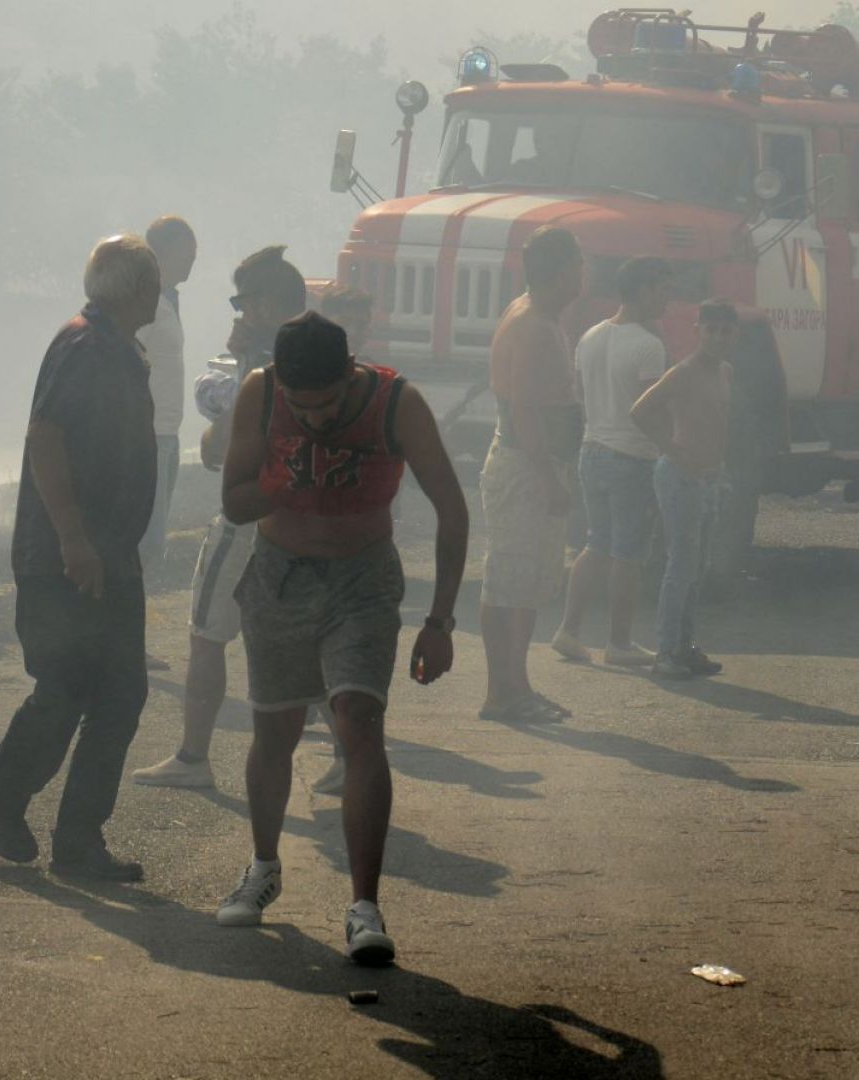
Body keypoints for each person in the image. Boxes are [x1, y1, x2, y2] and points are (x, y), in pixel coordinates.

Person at [212, 312, 468, 967]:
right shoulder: (261, 394)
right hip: (279, 576)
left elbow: (452, 508)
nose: (316, 418)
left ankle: (364, 907)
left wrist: (439, 622)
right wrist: (281, 481)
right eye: (303, 406)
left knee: (358, 720)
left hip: (362, 580)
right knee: (276, 732)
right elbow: (233, 501)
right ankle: (263, 866)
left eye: (326, 404)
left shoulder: (396, 403)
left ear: (350, 374)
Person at [0, 235, 161, 882]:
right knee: (69, 685)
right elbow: (44, 438)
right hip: (67, 557)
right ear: (130, 287)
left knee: (120, 691)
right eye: (153, 279)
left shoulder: (116, 347)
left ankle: (79, 842)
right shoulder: (85, 346)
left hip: (108, 554)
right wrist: (74, 540)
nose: (159, 290)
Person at [132, 247, 322, 791]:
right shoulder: (324, 350)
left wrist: (238, 374)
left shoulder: (265, 364)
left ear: (263, 305)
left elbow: (219, 447)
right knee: (306, 640)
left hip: (248, 514)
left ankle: (193, 758)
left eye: (242, 303)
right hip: (307, 517)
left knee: (207, 634)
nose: (237, 315)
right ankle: (350, 755)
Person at [480, 227, 584, 721]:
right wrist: (549, 480)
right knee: (509, 581)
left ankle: (516, 687)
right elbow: (524, 411)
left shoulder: (538, 315)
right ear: (564, 271)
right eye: (579, 266)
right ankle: (503, 693)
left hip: (533, 462)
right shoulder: (533, 324)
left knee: (526, 583)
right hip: (526, 465)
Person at [552, 256, 673, 667]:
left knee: (596, 543)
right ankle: (619, 642)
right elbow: (652, 408)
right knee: (628, 552)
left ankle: (568, 630)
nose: (666, 298)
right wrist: (673, 449)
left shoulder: (590, 336)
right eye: (661, 289)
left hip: (593, 449)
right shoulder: (649, 345)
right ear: (642, 291)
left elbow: (580, 393)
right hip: (632, 455)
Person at [632, 300, 738, 680]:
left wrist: (719, 469)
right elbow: (640, 411)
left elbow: (720, 422)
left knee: (698, 566)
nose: (718, 337)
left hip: (709, 479)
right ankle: (665, 652)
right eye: (711, 330)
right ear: (698, 331)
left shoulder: (725, 372)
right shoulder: (683, 372)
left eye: (725, 331)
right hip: (680, 478)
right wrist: (674, 450)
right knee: (680, 565)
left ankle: (685, 646)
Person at [136, 216, 196, 633]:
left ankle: (128, 638)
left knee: (152, 542)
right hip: (148, 434)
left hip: (166, 434)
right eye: (186, 252)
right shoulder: (146, 303)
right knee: (143, 542)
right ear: (162, 253)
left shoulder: (168, 300)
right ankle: (123, 641)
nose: (192, 260)